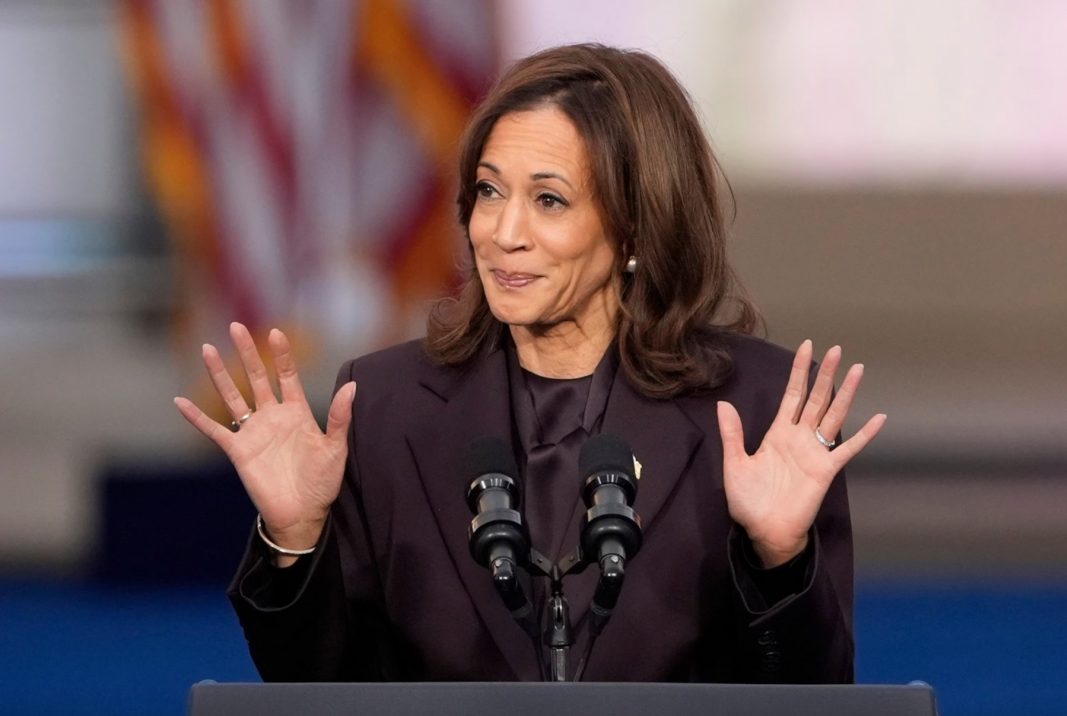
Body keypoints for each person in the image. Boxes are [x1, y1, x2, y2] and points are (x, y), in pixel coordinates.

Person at [174, 43, 885, 683]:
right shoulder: (387, 407)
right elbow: (322, 689)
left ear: (635, 224)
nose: (502, 233)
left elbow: (817, 695)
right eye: (488, 191)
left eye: (549, 200)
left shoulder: (757, 408)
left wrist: (781, 559)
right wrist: (296, 541)